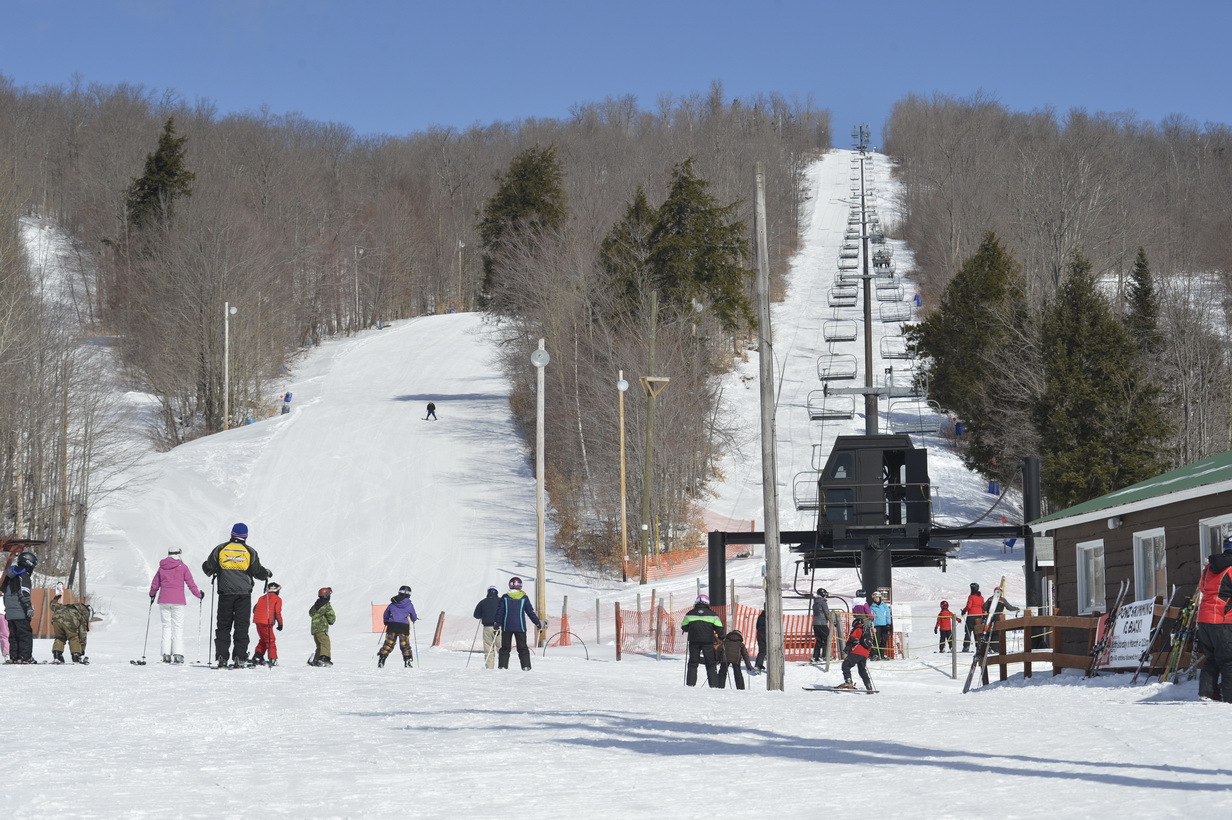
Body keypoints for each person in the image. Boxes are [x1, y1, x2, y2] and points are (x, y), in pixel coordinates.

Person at [201, 523, 272, 668]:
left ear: (232, 534)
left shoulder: (220, 549)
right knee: (241, 626)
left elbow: (208, 567)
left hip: (225, 594)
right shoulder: (249, 551)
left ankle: (222, 657)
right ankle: (240, 657)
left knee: (223, 626)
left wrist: (208, 567)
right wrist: (267, 573)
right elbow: (258, 571)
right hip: (243, 595)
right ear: (245, 536)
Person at [149, 546, 205, 664]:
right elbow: (191, 584)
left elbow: (155, 584)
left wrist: (152, 594)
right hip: (178, 601)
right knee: (178, 627)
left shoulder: (162, 567)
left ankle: (166, 655)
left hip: (164, 600)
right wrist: (199, 595)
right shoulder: (183, 567)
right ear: (179, 554)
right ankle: (178, 654)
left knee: (166, 627)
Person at [1197, 538, 1232, 702]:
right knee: (1228, 661)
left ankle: (1207, 693)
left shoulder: (1208, 568)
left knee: (1212, 658)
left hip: (1204, 619)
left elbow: (1203, 589)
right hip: (1222, 620)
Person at [494, 576, 544, 671]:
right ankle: (526, 666)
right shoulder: (524, 598)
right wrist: (537, 623)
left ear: (510, 585)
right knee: (522, 648)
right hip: (520, 627)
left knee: (505, 648)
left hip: (506, 626)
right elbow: (530, 612)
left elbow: (500, 611)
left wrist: (497, 623)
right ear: (520, 586)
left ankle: (503, 666)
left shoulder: (505, 597)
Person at [681, 594, 724, 688]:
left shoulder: (690, 613)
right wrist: (722, 636)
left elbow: (684, 626)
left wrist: (690, 627)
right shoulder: (713, 614)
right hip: (708, 642)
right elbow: (719, 628)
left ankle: (690, 684)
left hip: (693, 641)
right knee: (711, 663)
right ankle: (713, 685)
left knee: (693, 663)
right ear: (707, 603)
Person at [3, 551, 37, 664]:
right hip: (20, 611)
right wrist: (28, 606)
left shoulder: (9, 576)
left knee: (13, 635)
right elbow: (24, 593)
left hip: (10, 612)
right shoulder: (24, 576)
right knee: (24, 634)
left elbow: (4, 593)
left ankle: (14, 657)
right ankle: (25, 657)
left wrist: (7, 608)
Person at [378, 585, 419, 668]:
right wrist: (414, 619)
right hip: (403, 626)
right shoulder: (409, 604)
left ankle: (382, 658)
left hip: (392, 625)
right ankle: (407, 661)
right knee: (405, 644)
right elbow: (413, 615)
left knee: (389, 643)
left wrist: (386, 621)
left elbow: (386, 613)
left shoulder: (393, 603)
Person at [49, 591, 92, 664]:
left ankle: (57, 655)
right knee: (73, 637)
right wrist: (81, 650)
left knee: (60, 637)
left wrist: (55, 599)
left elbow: (53, 605)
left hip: (57, 620)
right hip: (70, 620)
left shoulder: (65, 606)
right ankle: (75, 656)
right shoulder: (81, 615)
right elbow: (82, 634)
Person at [837, 616, 875, 691]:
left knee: (846, 665)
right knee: (862, 670)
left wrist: (847, 646)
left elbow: (852, 638)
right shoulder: (867, 630)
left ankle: (848, 681)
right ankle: (869, 687)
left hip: (857, 651)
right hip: (865, 653)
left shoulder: (858, 628)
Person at [251, 582, 284, 667]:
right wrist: (280, 623)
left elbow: (254, 609)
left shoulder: (261, 598)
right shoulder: (277, 599)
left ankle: (258, 656)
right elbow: (277, 612)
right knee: (270, 640)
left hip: (258, 621)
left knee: (263, 639)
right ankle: (272, 658)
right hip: (267, 622)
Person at [472, 586, 502, 669]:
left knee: (488, 649)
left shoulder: (483, 602)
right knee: (501, 649)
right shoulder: (501, 601)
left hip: (487, 628)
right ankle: (503, 667)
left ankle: (489, 668)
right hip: (500, 628)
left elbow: (476, 615)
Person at [309, 587, 335, 667]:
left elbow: (311, 613)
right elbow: (331, 617)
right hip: (322, 628)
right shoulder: (327, 605)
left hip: (315, 629)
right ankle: (324, 658)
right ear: (327, 595)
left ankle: (316, 659)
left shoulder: (316, 604)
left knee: (319, 644)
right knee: (325, 642)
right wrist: (331, 621)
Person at [961, 582, 985, 652]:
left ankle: (966, 647)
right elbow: (983, 607)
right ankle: (978, 647)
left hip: (971, 616)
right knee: (977, 632)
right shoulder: (981, 597)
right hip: (979, 616)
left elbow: (969, 606)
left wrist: (964, 611)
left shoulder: (971, 597)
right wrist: (983, 614)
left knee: (968, 631)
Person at [869, 591, 893, 660]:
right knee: (876, 640)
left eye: (877, 597)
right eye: (874, 598)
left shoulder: (884, 606)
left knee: (884, 640)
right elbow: (871, 616)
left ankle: (881, 654)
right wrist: (870, 624)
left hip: (884, 625)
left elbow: (888, 615)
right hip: (877, 625)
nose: (876, 599)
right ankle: (874, 654)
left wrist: (888, 624)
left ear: (880, 598)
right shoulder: (872, 607)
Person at [811, 588, 832, 663]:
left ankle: (816, 656)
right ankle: (825, 656)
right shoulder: (823, 602)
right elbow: (826, 612)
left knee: (819, 640)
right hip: (822, 623)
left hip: (816, 623)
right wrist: (832, 621)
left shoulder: (815, 602)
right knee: (827, 638)